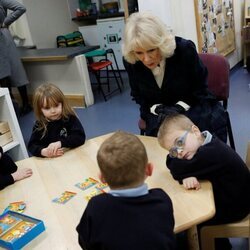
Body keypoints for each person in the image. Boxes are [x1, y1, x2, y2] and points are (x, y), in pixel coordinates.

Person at [122, 11, 227, 141]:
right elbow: (138, 95)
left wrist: (179, 108)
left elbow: (199, 88)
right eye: (139, 52)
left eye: (151, 50)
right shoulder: (131, 61)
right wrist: (158, 109)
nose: (146, 59)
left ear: (161, 43)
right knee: (162, 141)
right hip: (159, 112)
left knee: (195, 136)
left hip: (193, 104)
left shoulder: (184, 50)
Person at [157, 114, 250, 250]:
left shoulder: (210, 154)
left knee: (192, 218)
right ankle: (220, 243)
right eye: (174, 151)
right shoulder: (206, 142)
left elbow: (175, 167)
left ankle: (216, 245)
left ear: (195, 131)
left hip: (237, 207)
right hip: (233, 196)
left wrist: (184, 172)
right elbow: (181, 167)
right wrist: (187, 175)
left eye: (179, 143)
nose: (180, 153)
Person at [76, 131, 176, 250]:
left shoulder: (96, 206)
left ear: (102, 178)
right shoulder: (161, 200)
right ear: (149, 170)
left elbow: (84, 242)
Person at [28, 83, 86, 158]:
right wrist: (43, 152)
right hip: (51, 161)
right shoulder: (39, 125)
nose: (53, 111)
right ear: (40, 110)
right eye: (47, 108)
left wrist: (60, 143)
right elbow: (32, 145)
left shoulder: (69, 118)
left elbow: (80, 137)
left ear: (62, 103)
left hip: (71, 156)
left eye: (56, 105)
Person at [0, 0, 32, 115]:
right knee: (2, 75)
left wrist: (5, 22)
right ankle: (11, 106)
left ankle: (26, 103)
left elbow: (21, 8)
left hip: (4, 37)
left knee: (15, 69)